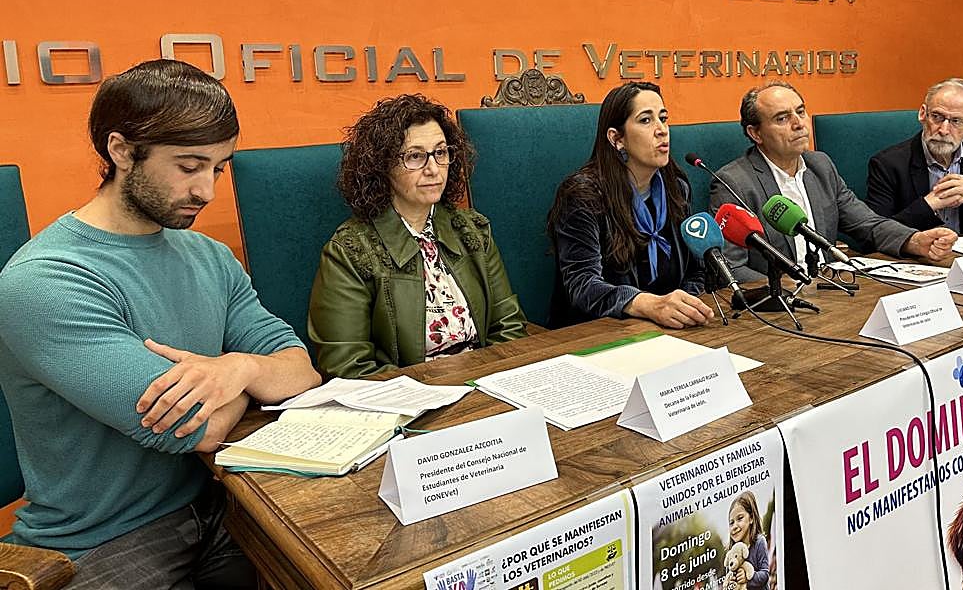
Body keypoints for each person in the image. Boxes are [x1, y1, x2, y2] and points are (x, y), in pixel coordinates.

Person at [0, 59, 320, 588]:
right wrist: (248, 380)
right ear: (121, 151)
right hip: (102, 539)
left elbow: (301, 372)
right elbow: (199, 429)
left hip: (219, 502)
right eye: (189, 166)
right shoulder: (45, 282)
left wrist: (237, 369)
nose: (207, 191)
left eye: (218, 169)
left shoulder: (210, 256)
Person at [309, 95, 527, 378]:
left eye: (441, 153)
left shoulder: (473, 230)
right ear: (382, 165)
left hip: (485, 385)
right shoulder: (349, 251)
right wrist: (431, 391)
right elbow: (348, 366)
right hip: (407, 397)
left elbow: (509, 327)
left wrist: (488, 381)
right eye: (415, 156)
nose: (433, 169)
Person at [710, 83, 956, 282]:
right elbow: (730, 267)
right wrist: (787, 288)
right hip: (777, 305)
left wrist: (914, 240)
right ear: (755, 133)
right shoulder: (734, 183)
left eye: (800, 112)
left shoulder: (820, 166)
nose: (799, 124)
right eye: (782, 118)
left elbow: (867, 224)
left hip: (829, 288)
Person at [547, 81, 713, 328]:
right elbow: (583, 285)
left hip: (669, 330)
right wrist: (650, 305)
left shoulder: (676, 188)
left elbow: (696, 270)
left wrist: (685, 308)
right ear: (616, 138)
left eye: (663, 118)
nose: (662, 130)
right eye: (646, 120)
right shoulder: (583, 196)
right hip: (596, 333)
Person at [866, 78, 963, 236]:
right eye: (937, 117)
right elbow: (876, 235)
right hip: (920, 251)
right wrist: (929, 205)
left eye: (956, 121)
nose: (944, 130)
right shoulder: (888, 164)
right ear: (923, 114)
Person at [727, 491, 770, 590]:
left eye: (740, 518)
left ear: (751, 518)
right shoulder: (732, 552)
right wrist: (731, 582)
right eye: (731, 523)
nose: (734, 526)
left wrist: (748, 578)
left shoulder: (759, 542)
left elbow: (765, 574)